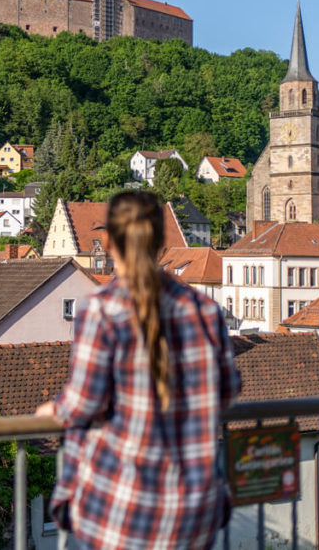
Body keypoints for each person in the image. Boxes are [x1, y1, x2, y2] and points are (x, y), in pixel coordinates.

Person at [37, 190, 240, 549]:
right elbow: (227, 391)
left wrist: (54, 409)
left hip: (120, 510)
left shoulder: (100, 309)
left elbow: (85, 403)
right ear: (162, 242)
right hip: (193, 511)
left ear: (109, 241)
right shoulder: (205, 310)